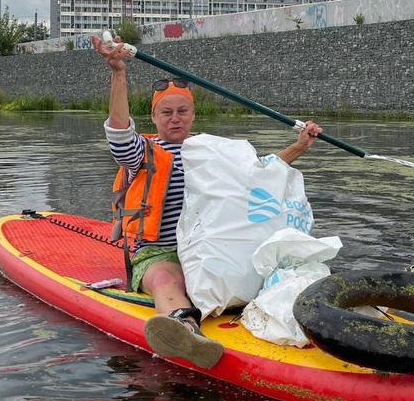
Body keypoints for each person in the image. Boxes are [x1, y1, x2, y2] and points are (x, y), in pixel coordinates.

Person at [90, 34, 324, 369]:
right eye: (166, 112)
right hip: (161, 251)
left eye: (182, 111)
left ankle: (346, 305)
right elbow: (118, 134)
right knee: (166, 280)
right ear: (154, 117)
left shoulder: (213, 150)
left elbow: (260, 174)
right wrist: (118, 74)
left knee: (282, 267)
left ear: (192, 114)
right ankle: (184, 329)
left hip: (213, 250)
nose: (175, 118)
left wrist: (300, 145)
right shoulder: (143, 152)